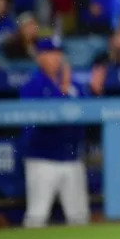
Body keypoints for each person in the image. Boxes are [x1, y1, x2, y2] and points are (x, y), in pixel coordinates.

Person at [18, 38, 91, 228]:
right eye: (50, 53)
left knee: (79, 217)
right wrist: (63, 93)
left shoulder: (74, 84)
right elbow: (39, 119)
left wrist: (94, 92)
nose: (55, 57)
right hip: (42, 159)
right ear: (40, 57)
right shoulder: (32, 86)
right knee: (37, 216)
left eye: (58, 53)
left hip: (72, 158)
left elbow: (88, 111)